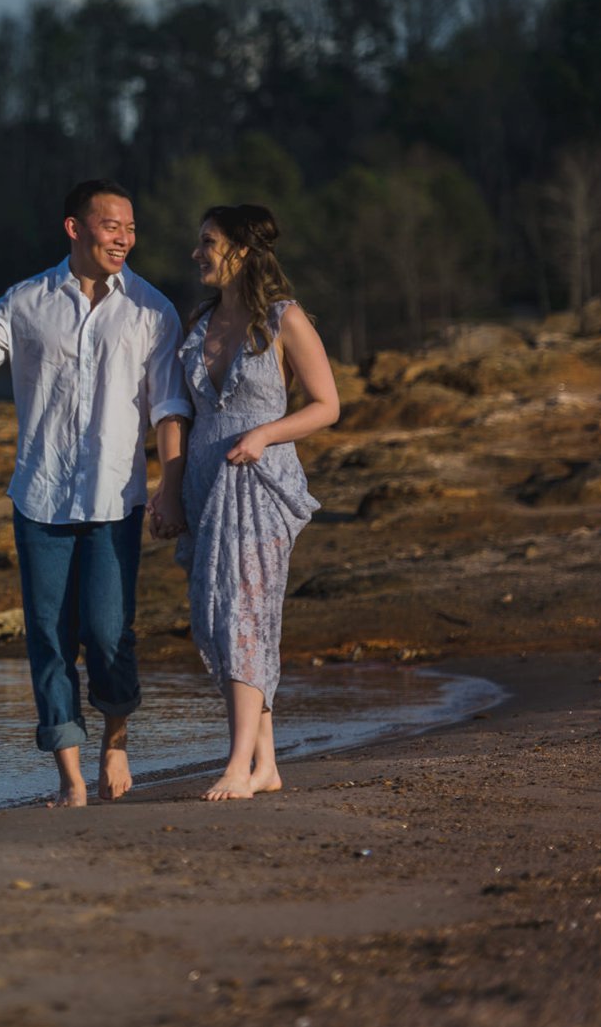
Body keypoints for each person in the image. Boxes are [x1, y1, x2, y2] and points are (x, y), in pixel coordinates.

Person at [0, 180, 190, 808]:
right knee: (47, 636)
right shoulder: (27, 301)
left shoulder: (154, 310)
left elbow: (169, 409)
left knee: (106, 633)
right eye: (110, 225)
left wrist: (170, 487)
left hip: (114, 502)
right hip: (39, 499)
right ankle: (70, 779)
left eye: (130, 227)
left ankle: (116, 737)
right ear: (74, 229)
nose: (124, 237)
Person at [174, 204, 339, 802]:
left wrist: (265, 434)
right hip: (203, 483)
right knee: (222, 621)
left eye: (208, 242)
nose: (197, 252)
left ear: (241, 249)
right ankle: (267, 763)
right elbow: (182, 413)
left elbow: (327, 405)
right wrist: (168, 490)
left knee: (245, 614)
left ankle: (238, 764)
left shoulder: (283, 317)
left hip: (261, 482)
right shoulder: (200, 321)